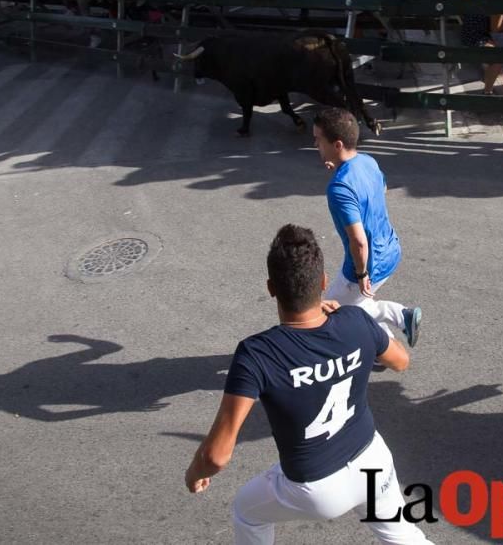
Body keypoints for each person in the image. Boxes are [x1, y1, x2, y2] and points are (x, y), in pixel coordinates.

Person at [184, 224, 433, 545]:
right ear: (324, 283)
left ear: (271, 288)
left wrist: (194, 473)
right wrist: (350, 320)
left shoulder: (257, 353)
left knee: (248, 511)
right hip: (372, 459)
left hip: (314, 487)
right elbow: (400, 361)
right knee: (405, 537)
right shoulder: (356, 321)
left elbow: (216, 457)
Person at [312, 108, 421, 348]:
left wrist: (362, 274)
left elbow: (359, 241)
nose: (315, 144)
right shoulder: (368, 162)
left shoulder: (340, 188)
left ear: (337, 144)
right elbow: (380, 189)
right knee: (357, 303)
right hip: (391, 250)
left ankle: (400, 316)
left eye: (318, 140)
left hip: (368, 263)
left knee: (329, 312)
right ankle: (384, 346)